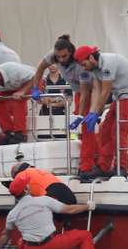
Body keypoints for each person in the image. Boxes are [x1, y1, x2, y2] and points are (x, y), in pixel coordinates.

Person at [0, 175, 96, 249]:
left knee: (21, 242)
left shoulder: (12, 214)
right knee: (85, 235)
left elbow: (5, 234)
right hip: (51, 246)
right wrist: (88, 206)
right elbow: (70, 209)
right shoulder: (44, 200)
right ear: (26, 189)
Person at [73, 46, 128, 179]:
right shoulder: (94, 69)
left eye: (84, 64)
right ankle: (103, 167)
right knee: (105, 129)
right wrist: (90, 113)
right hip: (120, 97)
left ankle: (121, 168)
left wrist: (95, 113)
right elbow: (97, 91)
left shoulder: (108, 64)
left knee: (118, 131)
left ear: (92, 57)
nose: (83, 68)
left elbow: (105, 92)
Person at [30, 35, 96, 173]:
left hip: (92, 92)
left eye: (64, 56)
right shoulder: (53, 56)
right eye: (58, 56)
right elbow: (40, 68)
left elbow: (85, 92)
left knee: (87, 130)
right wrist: (35, 87)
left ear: (71, 53)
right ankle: (92, 160)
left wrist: (80, 115)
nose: (61, 60)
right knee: (83, 132)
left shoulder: (80, 64)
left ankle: (87, 167)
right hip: (80, 93)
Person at [0, 62, 35, 148]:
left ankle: (20, 133)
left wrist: (23, 91)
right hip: (14, 87)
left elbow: (36, 76)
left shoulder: (13, 70)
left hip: (33, 81)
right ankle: (9, 132)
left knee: (16, 98)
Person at [9, 162, 76, 205]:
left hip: (53, 195)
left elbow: (14, 189)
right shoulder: (39, 171)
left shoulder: (22, 174)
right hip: (69, 195)